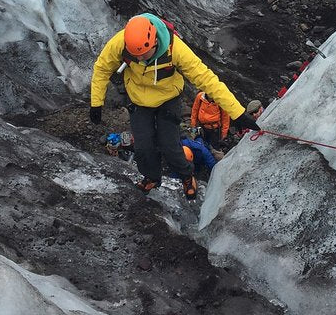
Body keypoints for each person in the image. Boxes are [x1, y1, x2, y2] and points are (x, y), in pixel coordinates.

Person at [90, 12, 259, 200]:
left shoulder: (175, 48)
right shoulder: (121, 43)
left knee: (169, 145)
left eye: (143, 55)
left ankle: (187, 176)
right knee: (143, 147)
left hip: (168, 99)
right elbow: (102, 68)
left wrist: (237, 112)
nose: (139, 60)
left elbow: (206, 79)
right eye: (135, 56)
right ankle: (152, 177)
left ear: (154, 41)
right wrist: (96, 103)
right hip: (138, 100)